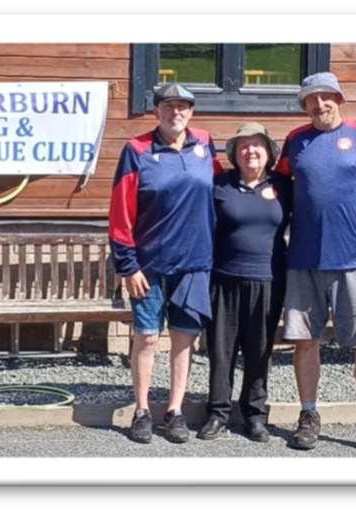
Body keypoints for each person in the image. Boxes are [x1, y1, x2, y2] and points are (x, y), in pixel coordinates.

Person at [274, 71, 356, 457]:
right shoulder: (296, 140)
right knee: (305, 341)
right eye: (310, 100)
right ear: (304, 106)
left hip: (354, 260)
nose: (319, 104)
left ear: (339, 99)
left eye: (326, 96)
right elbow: (278, 191)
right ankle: (308, 415)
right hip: (304, 260)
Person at [108, 83, 222, 444]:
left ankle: (174, 410)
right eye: (169, 106)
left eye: (183, 106)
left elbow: (219, 194)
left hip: (194, 265)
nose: (177, 112)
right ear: (157, 111)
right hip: (149, 267)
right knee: (146, 338)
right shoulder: (136, 150)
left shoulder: (205, 144)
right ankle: (142, 410)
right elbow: (120, 212)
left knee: (184, 340)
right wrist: (128, 266)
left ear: (192, 111)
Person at [197, 122, 291, 443]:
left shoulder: (283, 186)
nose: (251, 151)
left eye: (257, 144)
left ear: (269, 152)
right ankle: (217, 413)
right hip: (224, 279)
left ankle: (254, 415)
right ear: (235, 154)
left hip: (268, 280)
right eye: (243, 146)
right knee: (221, 350)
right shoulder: (219, 185)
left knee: (259, 350)